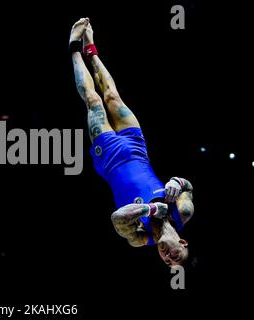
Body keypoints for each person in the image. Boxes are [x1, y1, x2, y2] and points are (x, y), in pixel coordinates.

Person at [69, 18, 194, 267]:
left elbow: (117, 218)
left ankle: (73, 47)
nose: (168, 258)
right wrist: (177, 182)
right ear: (183, 243)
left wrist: (150, 211)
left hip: (111, 159)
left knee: (93, 100)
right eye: (175, 257)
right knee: (112, 95)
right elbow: (188, 187)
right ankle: (91, 47)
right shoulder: (183, 213)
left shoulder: (141, 237)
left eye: (167, 262)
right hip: (137, 149)